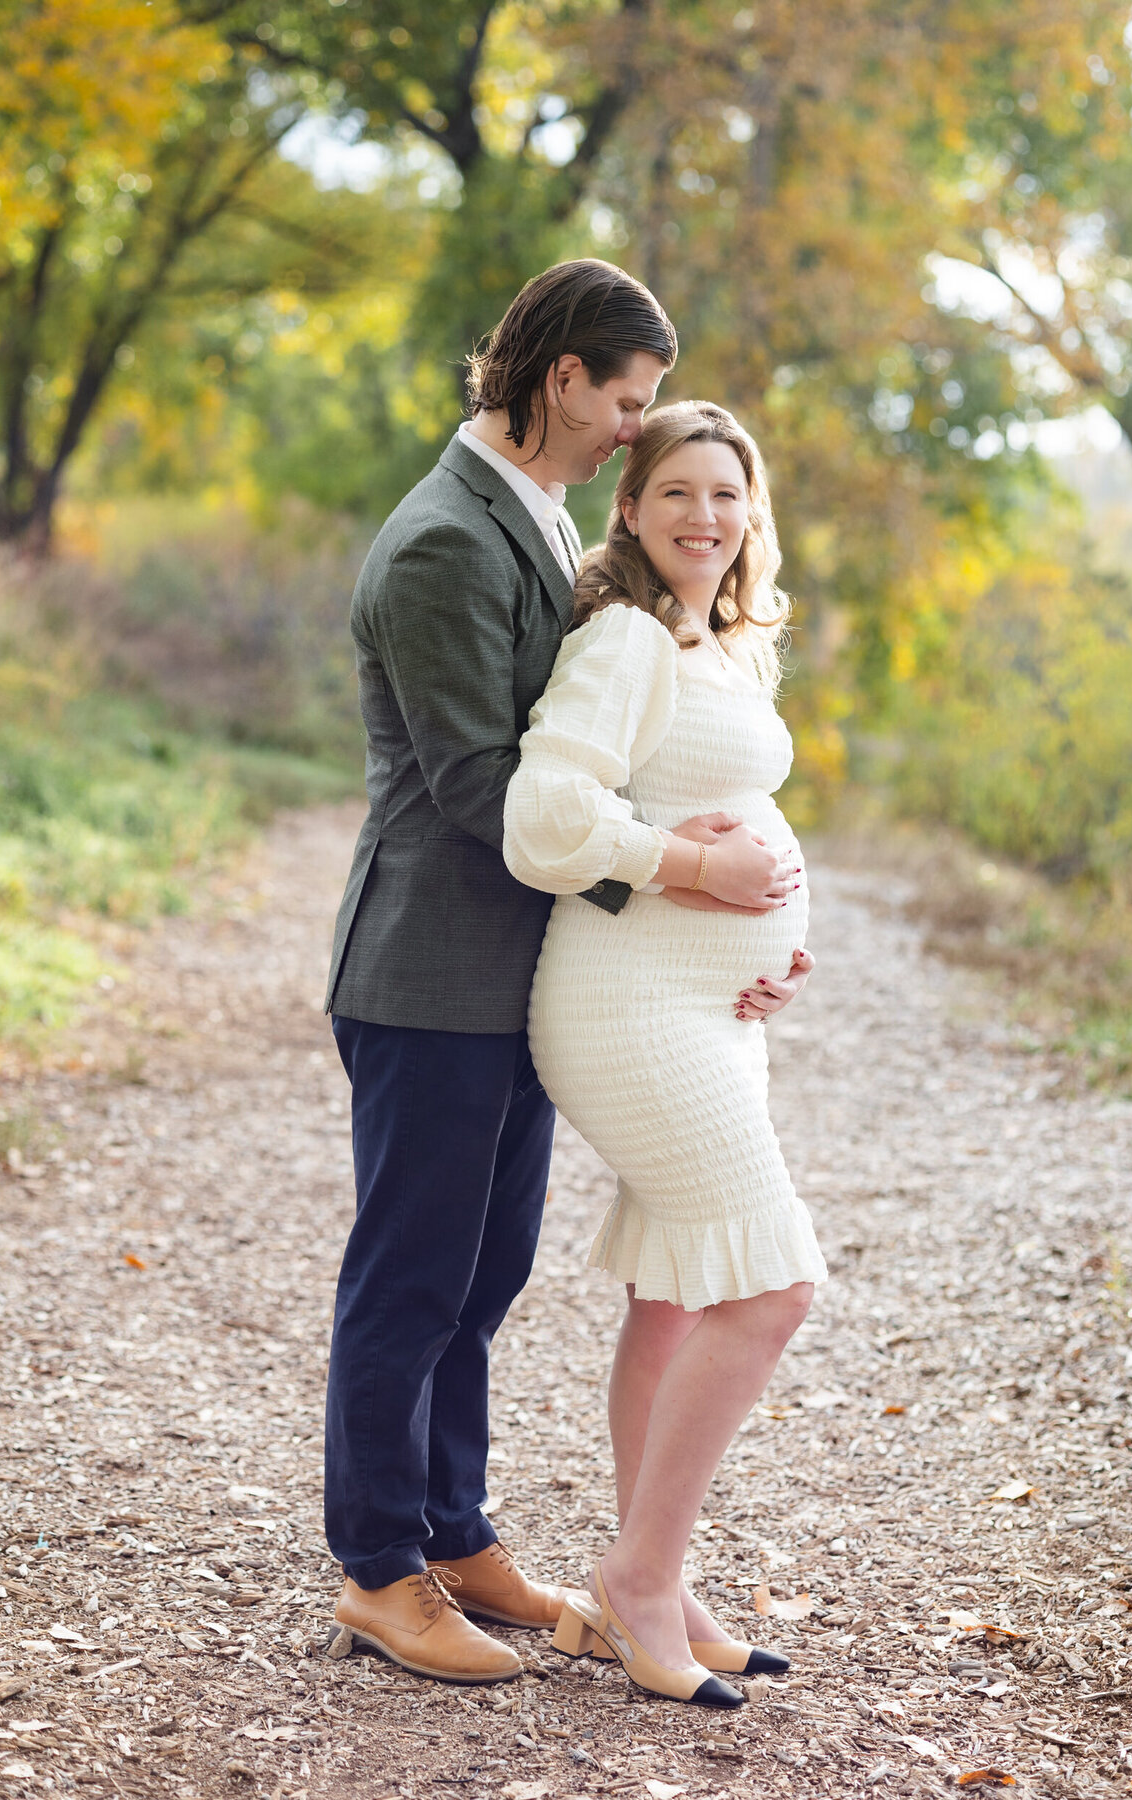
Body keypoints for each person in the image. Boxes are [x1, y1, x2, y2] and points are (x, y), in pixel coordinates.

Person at [321, 262, 798, 1686]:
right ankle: (378, 1569)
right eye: (626, 405)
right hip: (431, 967)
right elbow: (485, 787)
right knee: (410, 1275)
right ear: (560, 381)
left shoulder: (523, 516)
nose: (630, 437)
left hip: (521, 972)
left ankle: (455, 1530)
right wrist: (685, 878)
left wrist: (749, 925)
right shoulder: (441, 546)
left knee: (485, 1273)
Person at [503, 400, 827, 1709]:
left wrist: (772, 935)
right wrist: (702, 870)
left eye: (729, 495)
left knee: (679, 1293)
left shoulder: (727, 643)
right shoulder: (627, 638)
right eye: (679, 491)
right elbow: (546, 818)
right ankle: (637, 1576)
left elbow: (740, 822)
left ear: (754, 517)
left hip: (712, 1012)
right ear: (629, 512)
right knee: (774, 1288)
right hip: (624, 1008)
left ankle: (668, 1583)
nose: (707, 515)